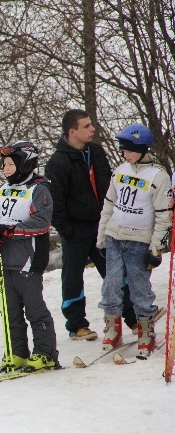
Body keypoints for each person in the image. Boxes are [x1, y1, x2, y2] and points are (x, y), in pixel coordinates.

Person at [45, 109, 135, 340]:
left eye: (91, 124)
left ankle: (133, 318)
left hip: (103, 224)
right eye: (86, 126)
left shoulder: (96, 151)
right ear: (72, 131)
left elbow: (109, 185)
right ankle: (77, 325)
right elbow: (56, 201)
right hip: (75, 229)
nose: (92, 129)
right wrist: (67, 230)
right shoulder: (57, 162)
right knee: (73, 277)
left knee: (115, 272)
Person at [97, 124, 172, 358]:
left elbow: (164, 216)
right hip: (115, 236)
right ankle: (112, 328)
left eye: (129, 149)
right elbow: (109, 204)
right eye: (122, 149)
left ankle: (146, 331)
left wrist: (156, 247)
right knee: (111, 284)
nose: (124, 154)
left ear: (142, 148)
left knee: (139, 287)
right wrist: (101, 237)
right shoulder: (120, 170)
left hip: (139, 240)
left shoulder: (158, 176)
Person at [0, 141, 58, 371]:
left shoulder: (38, 189)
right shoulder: (1, 190)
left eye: (10, 164)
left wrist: (12, 230)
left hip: (28, 260)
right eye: (4, 164)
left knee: (34, 309)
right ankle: (16, 352)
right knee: (11, 310)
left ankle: (45, 353)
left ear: (25, 164)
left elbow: (42, 222)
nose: (5, 169)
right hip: (5, 260)